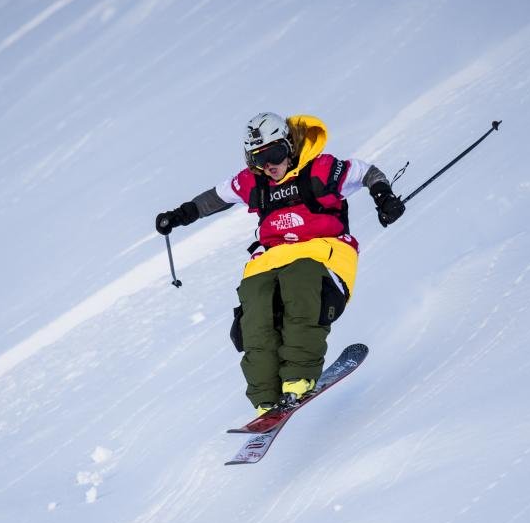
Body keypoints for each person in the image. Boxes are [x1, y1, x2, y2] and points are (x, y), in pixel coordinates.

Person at [156, 112, 405, 416]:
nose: (269, 166)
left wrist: (384, 197)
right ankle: (265, 397)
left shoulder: (321, 169)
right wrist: (179, 215)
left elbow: (367, 172)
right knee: (255, 307)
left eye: (274, 154)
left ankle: (298, 378)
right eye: (259, 159)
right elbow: (214, 198)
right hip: (272, 257)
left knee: (300, 285)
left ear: (288, 145)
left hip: (322, 253)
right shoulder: (254, 182)